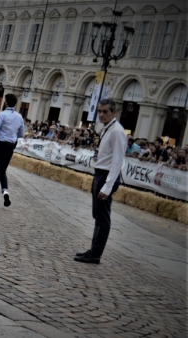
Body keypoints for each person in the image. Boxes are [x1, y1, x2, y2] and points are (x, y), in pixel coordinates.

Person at [74, 98, 126, 264]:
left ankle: (96, 253)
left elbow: (118, 160)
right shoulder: (107, 129)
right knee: (98, 214)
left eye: (105, 112)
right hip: (100, 173)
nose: (102, 115)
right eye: (100, 111)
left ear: (114, 112)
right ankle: (94, 250)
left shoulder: (117, 131)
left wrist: (108, 186)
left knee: (102, 216)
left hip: (106, 175)